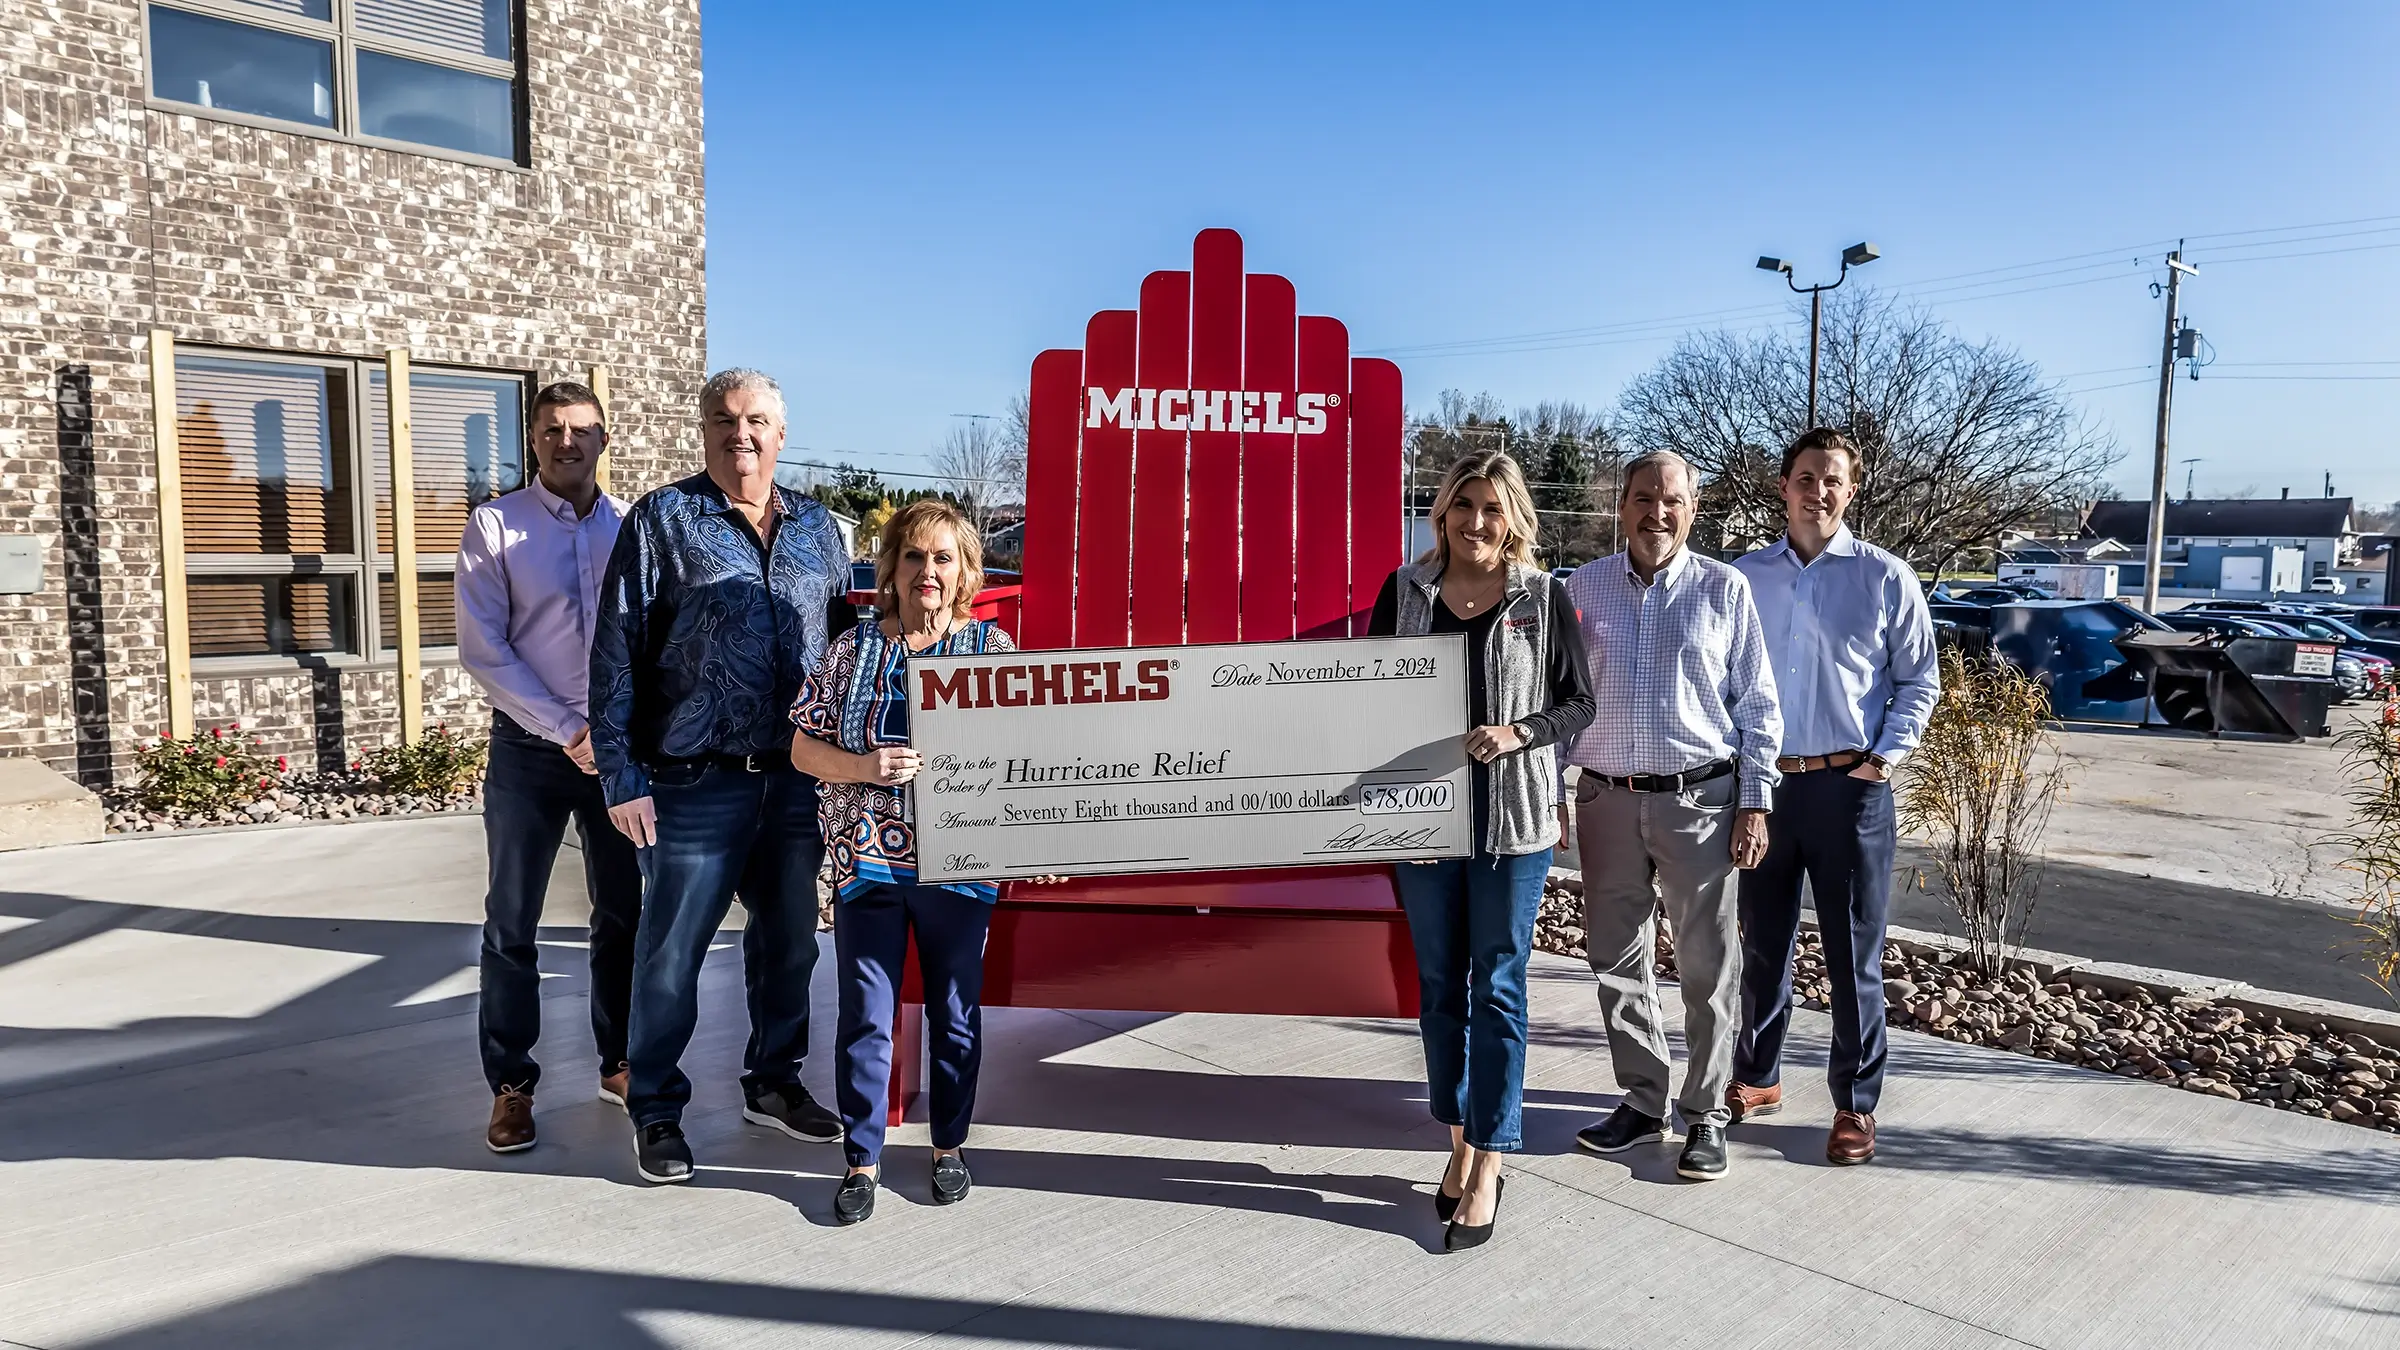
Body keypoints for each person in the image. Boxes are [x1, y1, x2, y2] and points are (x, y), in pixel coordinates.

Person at [590, 368, 857, 1185]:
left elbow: (846, 644)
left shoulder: (819, 528)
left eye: (757, 421)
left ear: (782, 434)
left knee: (789, 948)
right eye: (725, 419)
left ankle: (773, 1083)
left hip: (798, 778)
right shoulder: (663, 520)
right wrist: (620, 774)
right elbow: (615, 652)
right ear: (704, 429)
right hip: (692, 781)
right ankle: (659, 1110)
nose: (741, 433)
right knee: (670, 955)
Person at [1367, 450, 1594, 1251]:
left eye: (1492, 508)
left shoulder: (1541, 597)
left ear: (1514, 518)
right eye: (1462, 504)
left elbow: (1578, 703)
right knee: (1439, 986)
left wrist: (1519, 733)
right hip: (1424, 825)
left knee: (1497, 985)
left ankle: (1491, 1160)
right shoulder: (1406, 591)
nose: (1476, 522)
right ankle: (1459, 1141)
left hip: (1514, 822)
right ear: (1441, 513)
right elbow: (1367, 692)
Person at [789, 498, 1029, 1225]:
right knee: (866, 1013)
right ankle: (862, 1158)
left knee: (955, 1014)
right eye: (914, 556)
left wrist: (1040, 844)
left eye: (943, 559)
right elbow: (802, 747)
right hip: (869, 862)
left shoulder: (994, 653)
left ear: (965, 576)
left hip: (960, 866)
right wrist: (863, 766)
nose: (928, 571)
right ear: (889, 569)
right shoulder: (850, 652)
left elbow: (1035, 759)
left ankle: (949, 1147)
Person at [1565, 449, 1781, 1182]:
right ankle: (1643, 1099)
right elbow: (1562, 702)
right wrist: (1553, 790)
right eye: (1643, 498)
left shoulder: (1727, 589)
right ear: (1620, 505)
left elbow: (1758, 707)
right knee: (1615, 961)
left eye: (1673, 500)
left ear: (1694, 508)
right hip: (1604, 799)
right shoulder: (1582, 589)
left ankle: (1707, 1114)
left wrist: (1754, 802)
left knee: (1706, 968)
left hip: (1701, 802)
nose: (1658, 512)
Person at [1728, 428, 1938, 1165]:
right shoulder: (1744, 578)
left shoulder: (1885, 578)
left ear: (1851, 492)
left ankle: (1856, 1105)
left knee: (1854, 956)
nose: (1819, 490)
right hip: (1764, 786)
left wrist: (1883, 761)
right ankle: (1756, 1078)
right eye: (1807, 477)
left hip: (1851, 790)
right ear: (1783, 486)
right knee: (1763, 943)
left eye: (1834, 480)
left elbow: (1919, 681)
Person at [455, 380, 640, 1153]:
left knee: (624, 916)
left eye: (582, 430)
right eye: (553, 430)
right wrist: (569, 729)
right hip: (531, 752)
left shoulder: (633, 526)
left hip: (618, 754)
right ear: (534, 439)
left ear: (604, 440)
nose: (568, 442)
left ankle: (621, 1063)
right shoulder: (496, 526)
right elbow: (483, 648)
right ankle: (512, 1085)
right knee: (512, 924)